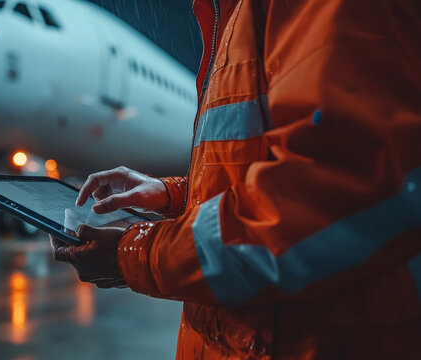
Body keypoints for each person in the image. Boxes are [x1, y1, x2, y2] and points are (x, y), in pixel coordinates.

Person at [50, 0, 421, 358]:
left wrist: (134, 254)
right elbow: (262, 172)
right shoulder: (231, 16)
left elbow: (334, 196)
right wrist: (171, 194)